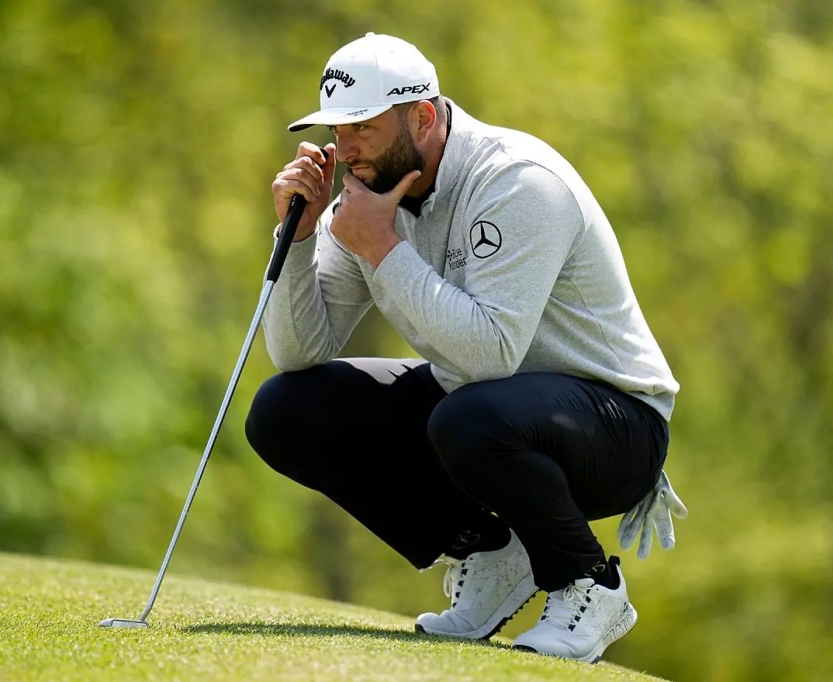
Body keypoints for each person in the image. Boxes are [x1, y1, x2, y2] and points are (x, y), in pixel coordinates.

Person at [244, 32, 681, 664]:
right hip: (484, 410)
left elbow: (489, 354)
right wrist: (302, 238)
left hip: (615, 426)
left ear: (422, 117)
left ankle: (589, 584)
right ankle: (492, 552)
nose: (346, 150)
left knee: (469, 417)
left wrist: (381, 247)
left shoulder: (517, 180)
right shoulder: (365, 202)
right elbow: (298, 352)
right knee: (285, 410)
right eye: (337, 130)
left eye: (363, 127)